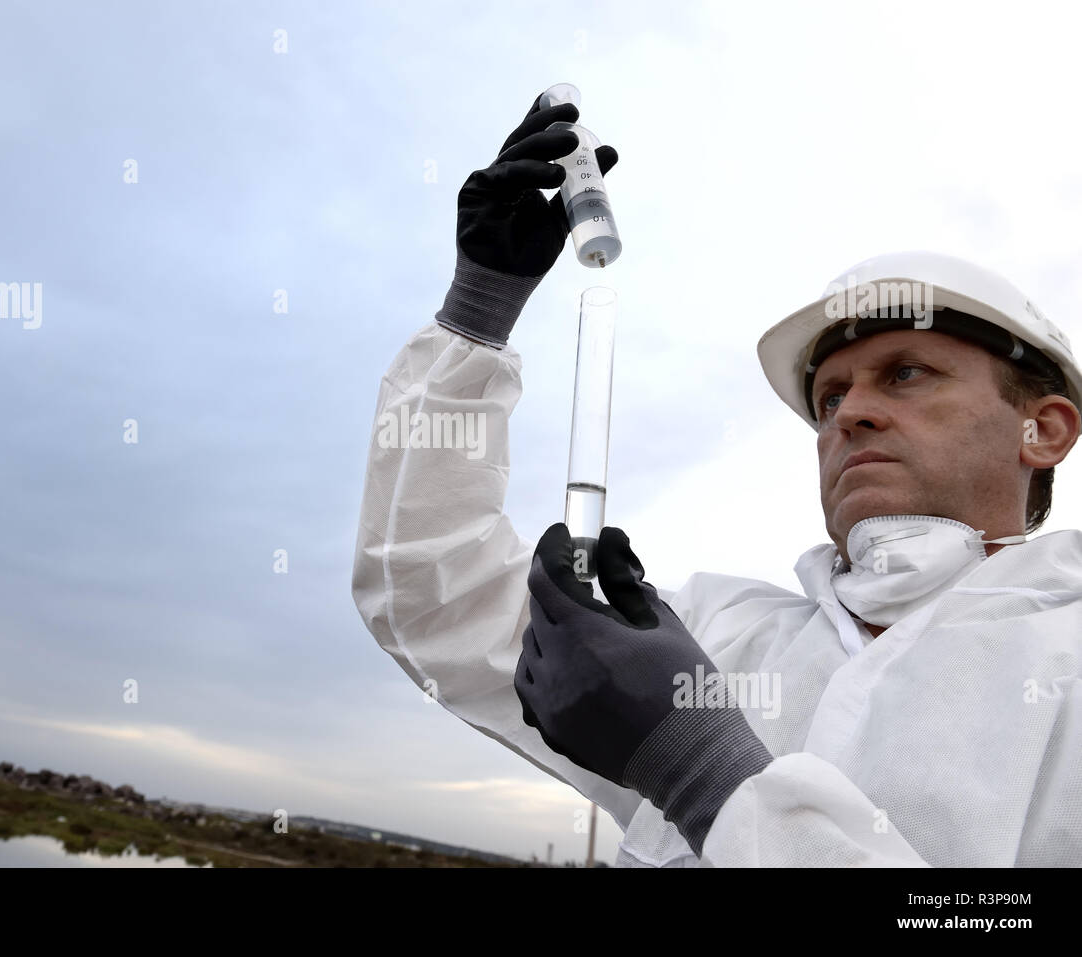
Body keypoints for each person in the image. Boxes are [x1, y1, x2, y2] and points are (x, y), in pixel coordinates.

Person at [351, 90, 1082, 866]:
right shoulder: (715, 640)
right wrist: (479, 306)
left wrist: (704, 771)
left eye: (905, 373)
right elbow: (433, 595)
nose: (849, 414)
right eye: (830, 395)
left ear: (1044, 429)